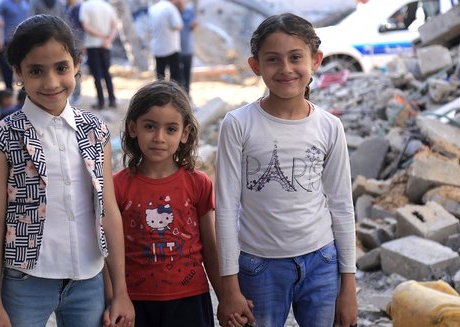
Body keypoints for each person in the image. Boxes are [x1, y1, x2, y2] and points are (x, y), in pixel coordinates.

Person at [0, 14, 134, 327]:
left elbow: (108, 213)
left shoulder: (95, 131)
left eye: (61, 68)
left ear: (77, 64)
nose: (51, 82)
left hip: (88, 280)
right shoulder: (2, 137)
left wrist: (120, 291)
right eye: (36, 71)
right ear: (17, 72)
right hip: (26, 282)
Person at [215, 13, 358, 327]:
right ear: (256, 66)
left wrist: (349, 285)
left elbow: (341, 206)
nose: (286, 69)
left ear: (316, 60)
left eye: (296, 57)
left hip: (322, 260)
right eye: (273, 60)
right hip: (258, 265)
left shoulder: (330, 126)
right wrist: (228, 286)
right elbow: (225, 208)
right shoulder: (238, 124)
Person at [114, 79, 220, 327]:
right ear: (132, 128)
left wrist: (226, 297)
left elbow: (211, 249)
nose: (159, 137)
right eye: (150, 126)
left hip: (190, 300)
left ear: (185, 134)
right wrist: (114, 299)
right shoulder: (117, 186)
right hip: (136, 301)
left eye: (171, 129)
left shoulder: (199, 183)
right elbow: (108, 251)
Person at [79, 0, 118, 110]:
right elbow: (115, 25)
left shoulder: (86, 6)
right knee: (107, 73)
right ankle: (112, 100)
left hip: (92, 44)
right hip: (106, 45)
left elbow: (85, 26)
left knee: (96, 74)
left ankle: (100, 102)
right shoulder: (107, 6)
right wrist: (108, 39)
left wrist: (100, 36)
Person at [0, 0, 29, 91]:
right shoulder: (4, 3)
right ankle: (9, 89)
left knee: (25, 65)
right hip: (9, 41)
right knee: (7, 67)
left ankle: (25, 89)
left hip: (24, 40)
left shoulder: (25, 3)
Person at [148, 0, 183, 83]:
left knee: (160, 78)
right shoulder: (171, 8)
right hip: (171, 47)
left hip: (157, 48)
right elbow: (178, 25)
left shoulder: (152, 9)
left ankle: (160, 96)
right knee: (175, 78)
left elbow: (149, 28)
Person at [175, 0, 197, 95]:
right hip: (176, 49)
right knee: (177, 74)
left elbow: (193, 25)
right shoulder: (173, 11)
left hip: (187, 48)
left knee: (187, 73)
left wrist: (194, 25)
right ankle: (177, 93)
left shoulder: (189, 11)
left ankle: (187, 94)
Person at [65, 0, 84, 106]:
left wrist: (82, 45)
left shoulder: (80, 8)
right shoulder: (63, 7)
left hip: (77, 44)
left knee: (76, 70)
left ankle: (76, 95)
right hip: (64, 44)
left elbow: (83, 26)